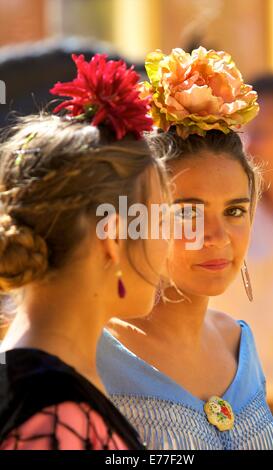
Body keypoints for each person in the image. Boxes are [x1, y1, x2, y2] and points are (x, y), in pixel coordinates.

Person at [97, 47, 273, 450]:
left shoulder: (238, 342)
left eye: (235, 210)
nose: (216, 236)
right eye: (187, 213)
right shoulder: (95, 355)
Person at [0, 53, 169, 450]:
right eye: (160, 221)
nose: (171, 246)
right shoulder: (53, 417)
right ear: (111, 237)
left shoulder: (42, 386)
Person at [210, 75, 273, 449]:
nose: (246, 146)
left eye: (260, 133)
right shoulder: (223, 214)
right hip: (236, 418)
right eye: (242, 133)